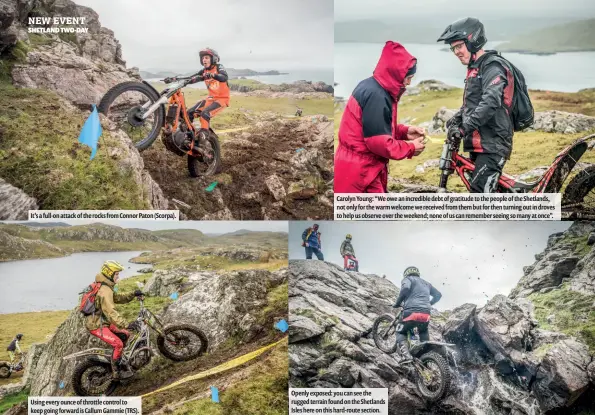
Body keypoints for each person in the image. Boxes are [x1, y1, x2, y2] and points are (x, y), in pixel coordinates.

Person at [335, 41, 426, 193]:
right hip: (361, 172)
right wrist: (410, 148)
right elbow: (378, 142)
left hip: (357, 167)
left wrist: (404, 131)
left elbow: (374, 128)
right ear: (396, 73)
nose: (409, 82)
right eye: (408, 77)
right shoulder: (377, 95)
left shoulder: (371, 86)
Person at [437, 18, 515, 193]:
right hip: (479, 142)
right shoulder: (476, 68)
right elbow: (471, 105)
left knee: (480, 195)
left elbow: (490, 102)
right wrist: (456, 120)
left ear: (472, 41)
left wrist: (464, 127)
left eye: (458, 46)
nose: (455, 52)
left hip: (493, 143)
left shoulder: (492, 66)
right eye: (453, 48)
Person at [85, 260, 144, 379]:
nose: (118, 276)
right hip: (97, 325)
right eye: (116, 274)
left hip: (102, 322)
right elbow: (111, 312)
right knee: (118, 344)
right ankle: (117, 372)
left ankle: (120, 360)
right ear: (109, 274)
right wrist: (126, 324)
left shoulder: (106, 286)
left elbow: (117, 298)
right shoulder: (104, 290)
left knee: (125, 335)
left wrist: (133, 294)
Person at [164, 48, 230, 152]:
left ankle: (204, 142)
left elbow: (224, 77)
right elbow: (192, 78)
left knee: (205, 114)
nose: (204, 60)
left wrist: (213, 75)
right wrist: (175, 79)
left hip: (222, 99)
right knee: (189, 113)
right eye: (203, 58)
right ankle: (189, 137)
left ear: (214, 59)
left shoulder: (219, 67)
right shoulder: (204, 71)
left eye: (207, 57)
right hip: (210, 99)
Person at [393, 266, 442, 363]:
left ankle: (407, 357)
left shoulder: (408, 279)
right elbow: (438, 295)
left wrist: (397, 303)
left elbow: (405, 289)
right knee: (423, 332)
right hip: (426, 314)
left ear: (406, 274)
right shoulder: (427, 283)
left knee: (400, 331)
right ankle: (425, 358)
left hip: (411, 312)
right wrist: (429, 304)